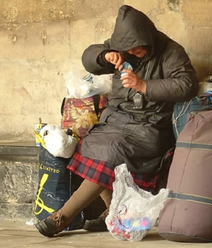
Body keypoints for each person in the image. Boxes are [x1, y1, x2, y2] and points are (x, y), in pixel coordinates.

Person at [35, 5, 199, 237]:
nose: (135, 52)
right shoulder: (121, 48)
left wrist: (144, 86)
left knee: (112, 153)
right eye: (129, 49)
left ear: (148, 39)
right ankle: (114, 214)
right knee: (90, 144)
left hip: (149, 126)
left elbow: (187, 84)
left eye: (139, 48)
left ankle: (62, 216)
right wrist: (104, 56)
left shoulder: (171, 51)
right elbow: (88, 57)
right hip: (117, 119)